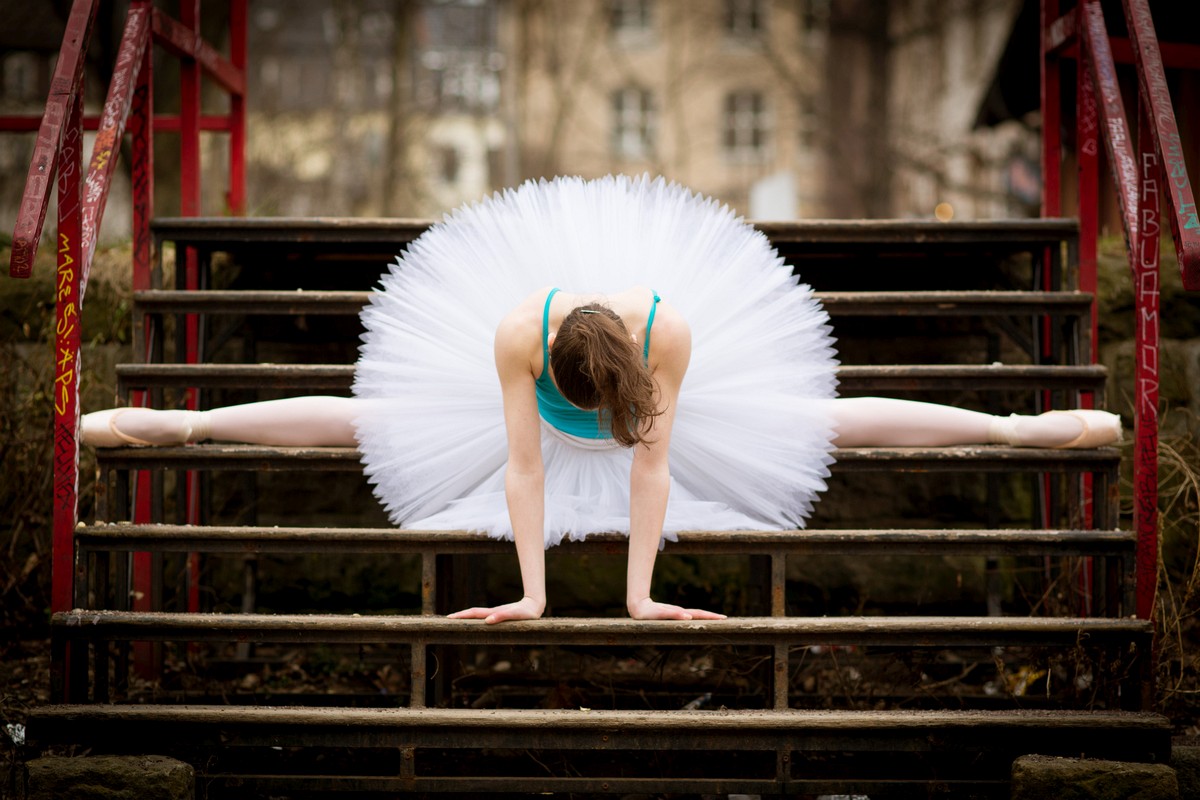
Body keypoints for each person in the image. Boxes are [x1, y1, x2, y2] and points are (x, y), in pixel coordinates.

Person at [80, 176, 1121, 624]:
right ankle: (187, 423)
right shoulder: (512, 336)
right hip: (521, 393)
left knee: (820, 423)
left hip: (668, 384)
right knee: (370, 421)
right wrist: (532, 593)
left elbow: (650, 465)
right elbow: (524, 465)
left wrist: (637, 595)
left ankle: (1015, 429)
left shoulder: (669, 332)